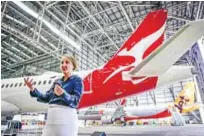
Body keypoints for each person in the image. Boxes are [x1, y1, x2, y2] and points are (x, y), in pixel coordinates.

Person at [24, 55, 84, 136]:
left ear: (73, 65)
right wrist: (32, 89)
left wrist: (63, 94)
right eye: (62, 62)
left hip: (66, 119)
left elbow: (75, 102)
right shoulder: (57, 81)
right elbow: (46, 98)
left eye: (67, 62)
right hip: (51, 119)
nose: (63, 64)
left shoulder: (77, 80)